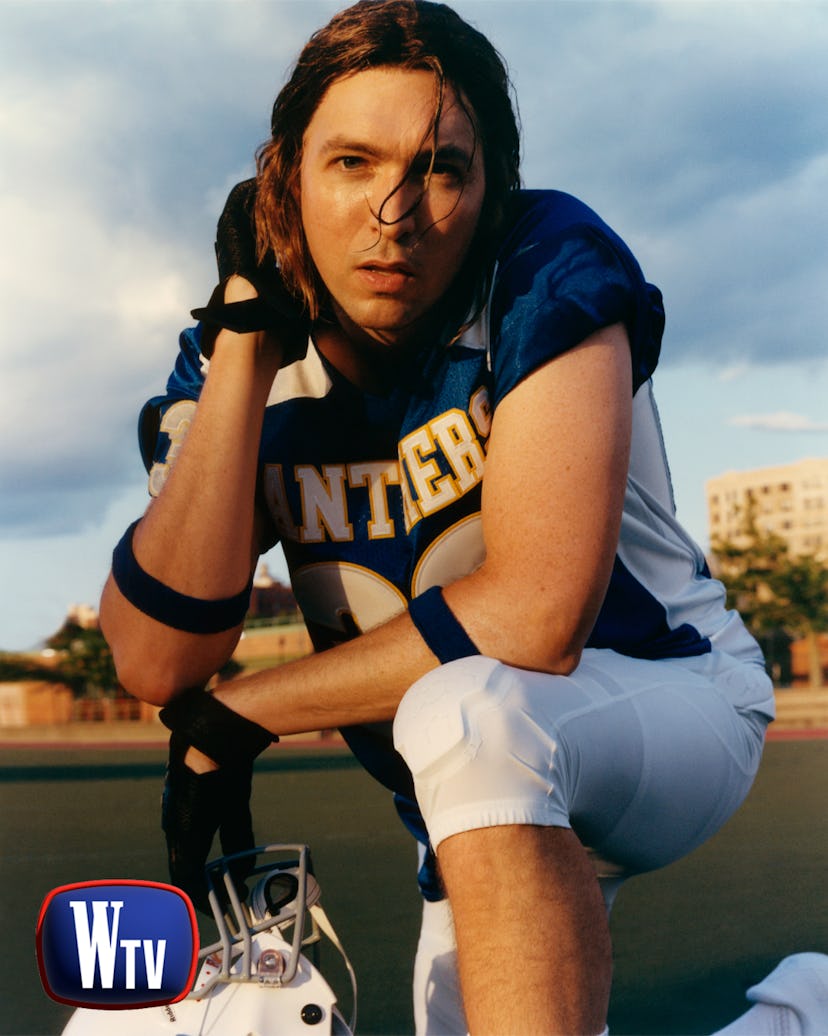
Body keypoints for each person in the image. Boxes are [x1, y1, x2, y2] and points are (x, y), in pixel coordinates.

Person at [99, 1, 777, 1032]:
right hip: (469, 793)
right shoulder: (246, 358)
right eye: (352, 164)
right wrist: (244, 338)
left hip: (664, 702)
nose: (394, 214)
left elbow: (535, 618)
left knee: (462, 710)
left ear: (489, 188)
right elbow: (154, 659)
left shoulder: (543, 263)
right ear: (284, 180)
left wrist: (240, 715)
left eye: (441, 169)